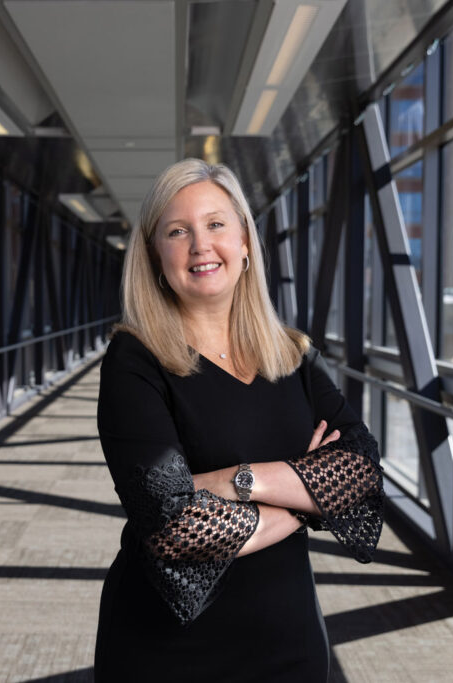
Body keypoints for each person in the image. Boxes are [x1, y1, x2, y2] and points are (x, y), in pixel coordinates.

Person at [94, 158, 384, 682]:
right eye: (177, 231)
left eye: (216, 224)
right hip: (167, 653)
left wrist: (235, 482)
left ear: (246, 241)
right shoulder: (134, 360)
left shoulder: (292, 355)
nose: (200, 245)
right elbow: (174, 527)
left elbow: (361, 470)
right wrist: (307, 499)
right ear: (156, 256)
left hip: (289, 641)